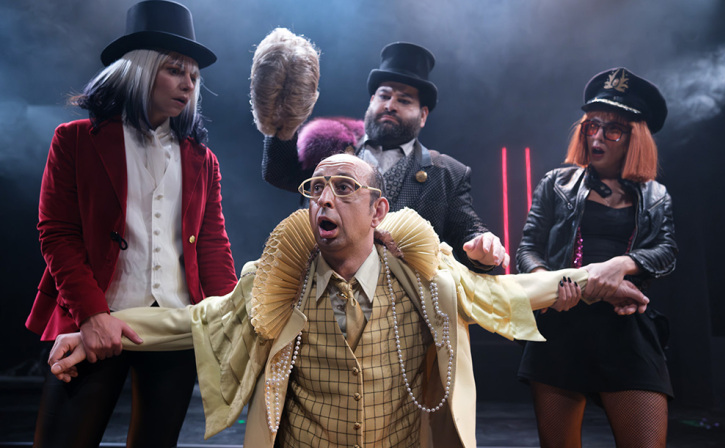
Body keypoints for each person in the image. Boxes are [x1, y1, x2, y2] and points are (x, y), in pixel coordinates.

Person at [48, 154, 648, 448]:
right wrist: (100, 327)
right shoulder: (277, 281)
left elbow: (504, 291)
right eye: (317, 189)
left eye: (343, 188)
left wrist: (593, 278)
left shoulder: (425, 276)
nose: (324, 200)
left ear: (378, 209)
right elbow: (197, 318)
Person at [25, 1, 239, 447]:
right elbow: (58, 235)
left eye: (194, 76)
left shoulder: (202, 160)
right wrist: (93, 315)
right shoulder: (74, 141)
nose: (188, 83)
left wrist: (229, 318)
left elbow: (212, 245)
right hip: (93, 320)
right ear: (139, 70)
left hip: (176, 324)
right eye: (175, 70)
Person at [515, 68, 678, 448]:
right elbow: (527, 248)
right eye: (592, 126)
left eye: (613, 130)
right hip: (561, 325)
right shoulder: (556, 183)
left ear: (635, 138)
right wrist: (551, 285)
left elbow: (667, 251)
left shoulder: (656, 195)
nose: (598, 137)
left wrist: (620, 264)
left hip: (626, 330)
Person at [254, 31, 508, 271]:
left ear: (423, 115)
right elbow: (278, 173)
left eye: (404, 100)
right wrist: (281, 118)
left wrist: (483, 244)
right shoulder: (328, 148)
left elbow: (469, 230)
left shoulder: (447, 173)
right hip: (324, 290)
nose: (390, 105)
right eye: (384, 96)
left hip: (406, 299)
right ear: (371, 101)